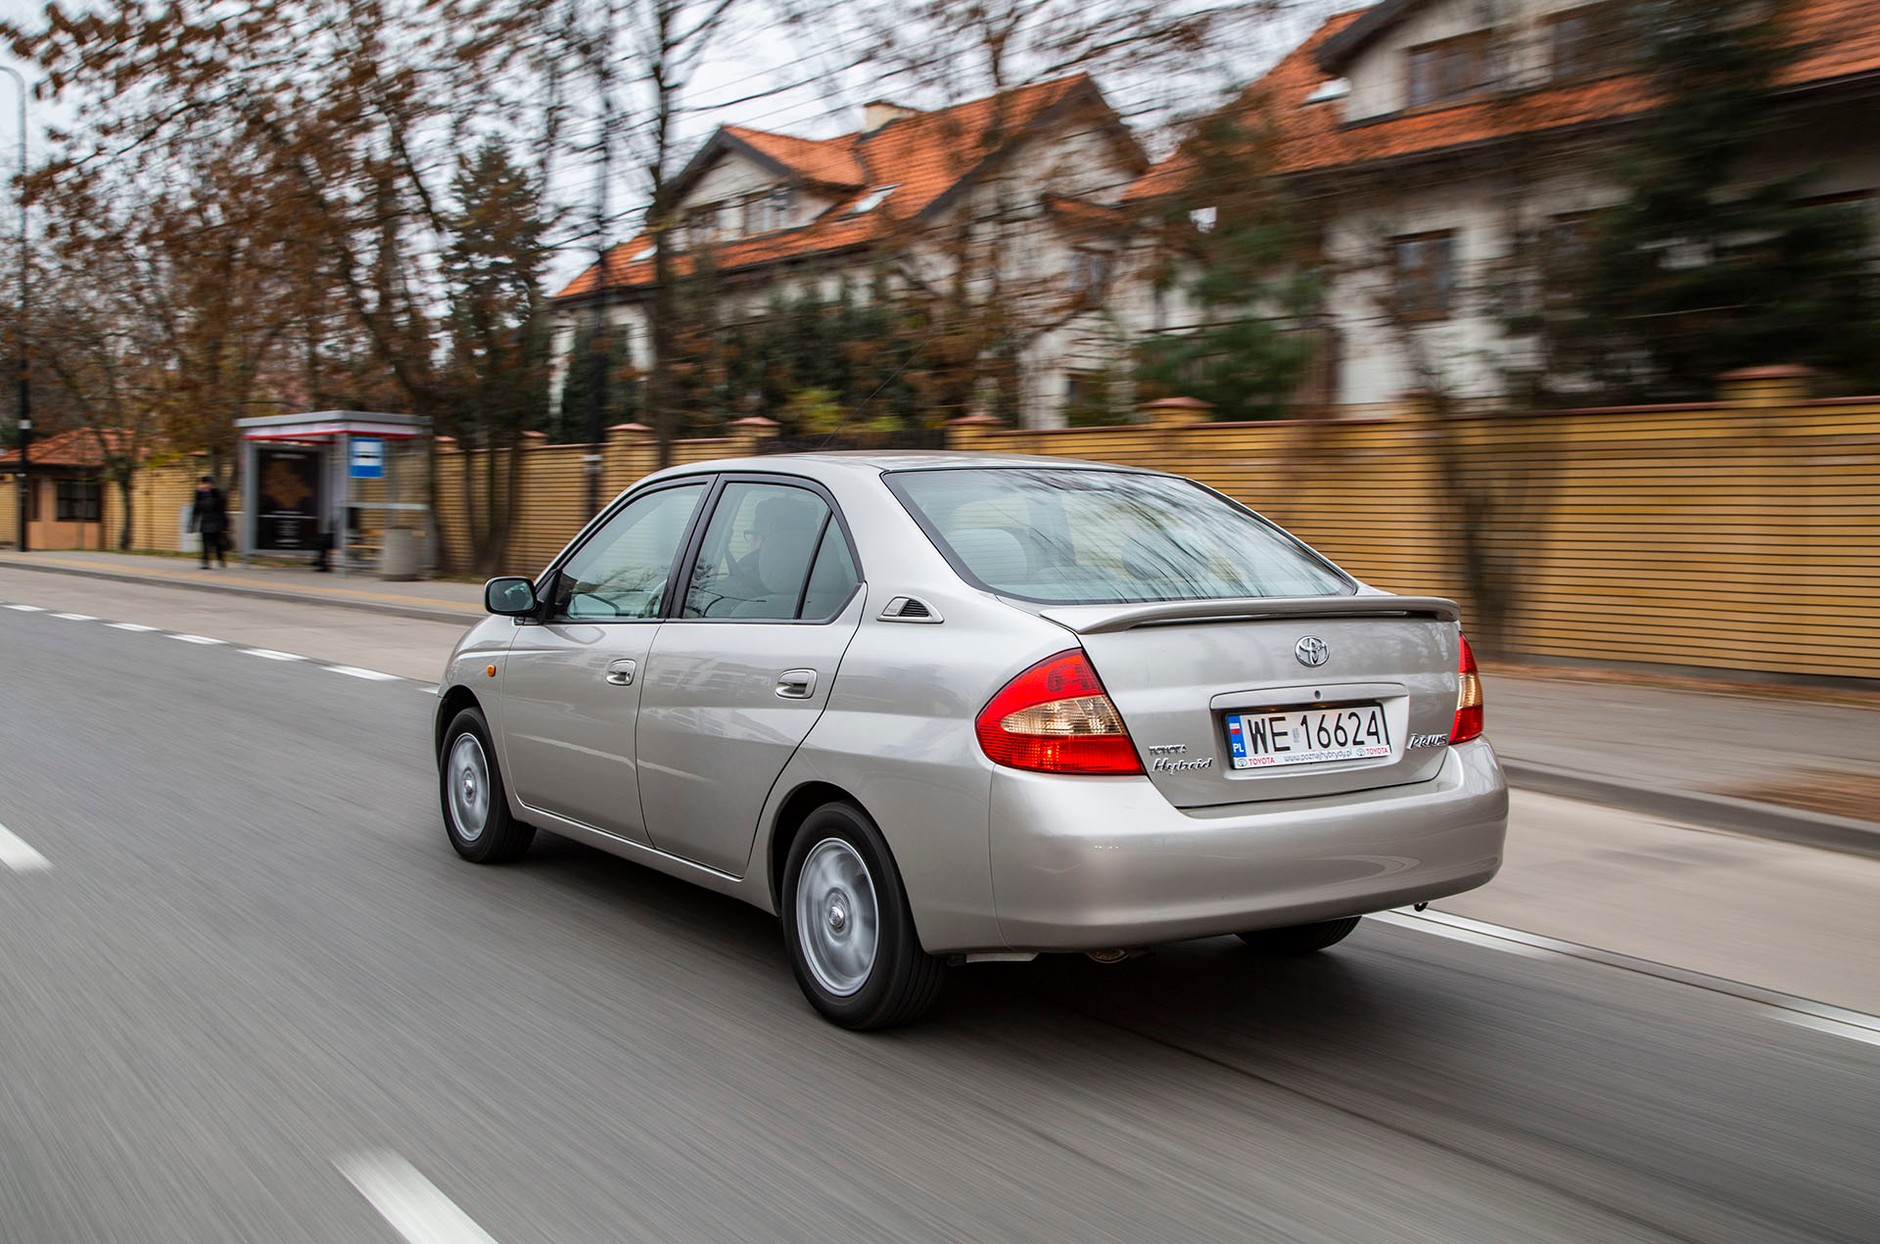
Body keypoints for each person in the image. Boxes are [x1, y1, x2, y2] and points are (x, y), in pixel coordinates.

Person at [189, 475, 230, 569]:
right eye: (201, 484)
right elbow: (196, 510)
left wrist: (225, 524)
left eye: (204, 483)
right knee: (204, 544)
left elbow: (222, 510)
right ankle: (205, 562)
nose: (202, 486)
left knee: (217, 543)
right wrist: (193, 524)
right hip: (205, 522)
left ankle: (221, 559)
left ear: (209, 484)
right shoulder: (199, 495)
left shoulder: (217, 493)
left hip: (216, 522)